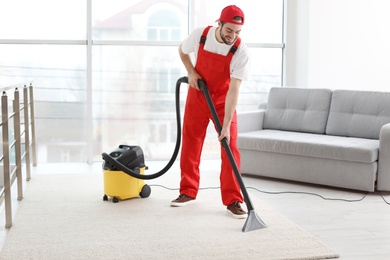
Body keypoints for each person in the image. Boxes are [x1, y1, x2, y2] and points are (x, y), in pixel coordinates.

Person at [171, 5, 250, 219]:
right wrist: (192, 72)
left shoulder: (240, 50)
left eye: (237, 32)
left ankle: (233, 199)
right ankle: (187, 192)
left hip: (224, 101)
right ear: (220, 23)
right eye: (229, 31)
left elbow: (234, 89)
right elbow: (182, 50)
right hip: (198, 95)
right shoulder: (201, 35)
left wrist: (225, 126)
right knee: (191, 142)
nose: (232, 36)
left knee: (230, 145)